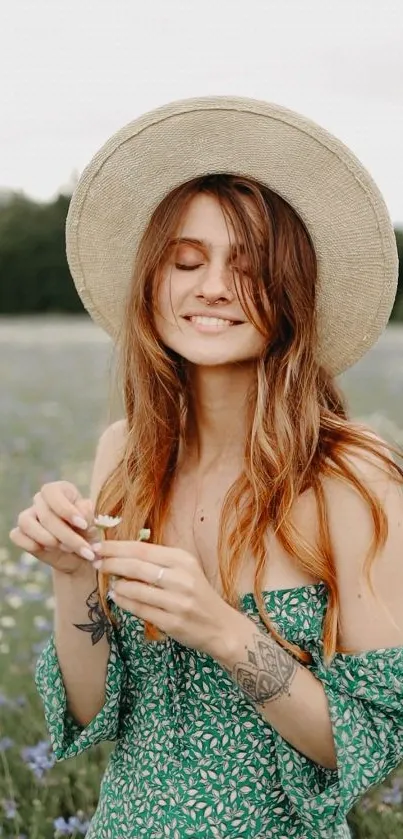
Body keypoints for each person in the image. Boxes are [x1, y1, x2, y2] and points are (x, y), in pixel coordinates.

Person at [9, 96, 403, 839]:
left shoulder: (352, 473)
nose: (212, 287)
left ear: (290, 292)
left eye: (246, 267)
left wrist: (225, 631)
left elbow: (368, 746)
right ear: (152, 283)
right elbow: (97, 710)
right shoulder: (125, 448)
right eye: (185, 261)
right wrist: (69, 573)